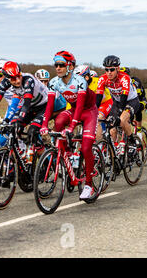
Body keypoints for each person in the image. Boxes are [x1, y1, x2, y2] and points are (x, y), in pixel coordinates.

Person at [40, 51, 98, 200]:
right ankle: (67, 155)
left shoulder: (79, 81)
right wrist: (44, 125)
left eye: (61, 65)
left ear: (70, 66)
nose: (58, 68)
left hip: (88, 112)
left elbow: (80, 107)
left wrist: (72, 127)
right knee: (58, 122)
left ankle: (89, 185)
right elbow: (49, 106)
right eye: (56, 65)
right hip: (73, 110)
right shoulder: (54, 82)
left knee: (85, 147)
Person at [96, 55, 140, 146]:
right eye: (106, 70)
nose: (109, 72)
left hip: (131, 101)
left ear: (117, 69)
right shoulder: (102, 79)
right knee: (111, 128)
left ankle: (132, 141)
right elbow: (99, 97)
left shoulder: (124, 78)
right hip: (117, 102)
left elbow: (124, 96)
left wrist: (119, 113)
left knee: (122, 120)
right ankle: (113, 152)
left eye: (112, 70)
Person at [72, 64, 113, 140]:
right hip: (92, 105)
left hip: (105, 103)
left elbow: (97, 100)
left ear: (86, 77)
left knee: (98, 118)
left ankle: (98, 145)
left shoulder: (97, 82)